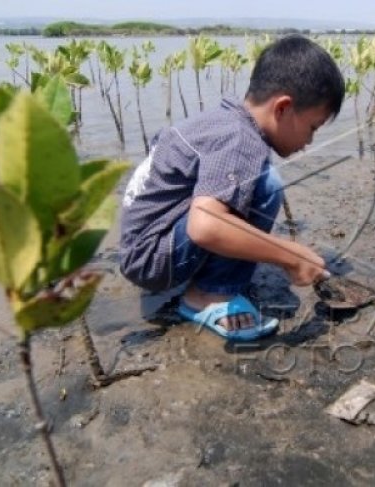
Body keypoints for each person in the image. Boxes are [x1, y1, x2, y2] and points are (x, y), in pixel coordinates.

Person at [119, 35, 345, 341]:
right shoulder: (241, 141)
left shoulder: (222, 119)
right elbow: (204, 226)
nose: (309, 142)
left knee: (251, 185)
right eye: (313, 127)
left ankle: (209, 279)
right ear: (282, 108)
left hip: (143, 245)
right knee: (267, 185)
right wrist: (290, 255)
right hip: (152, 259)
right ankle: (210, 295)